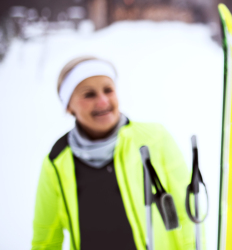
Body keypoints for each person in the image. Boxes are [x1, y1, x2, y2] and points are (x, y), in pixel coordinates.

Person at [32, 56, 194, 250]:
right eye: (89, 94)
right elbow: (46, 239)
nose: (102, 101)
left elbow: (187, 212)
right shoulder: (56, 162)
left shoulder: (155, 139)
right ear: (68, 106)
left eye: (108, 90)